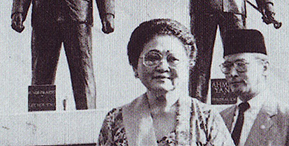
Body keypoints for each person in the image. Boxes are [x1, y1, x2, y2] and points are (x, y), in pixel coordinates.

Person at [97, 19, 234, 146]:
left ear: (188, 66)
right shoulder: (115, 120)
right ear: (135, 68)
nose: (162, 67)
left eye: (172, 59)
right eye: (152, 58)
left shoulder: (206, 119)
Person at [219, 29, 289, 146]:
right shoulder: (221, 118)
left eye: (241, 65)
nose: (232, 73)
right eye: (227, 66)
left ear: (264, 68)